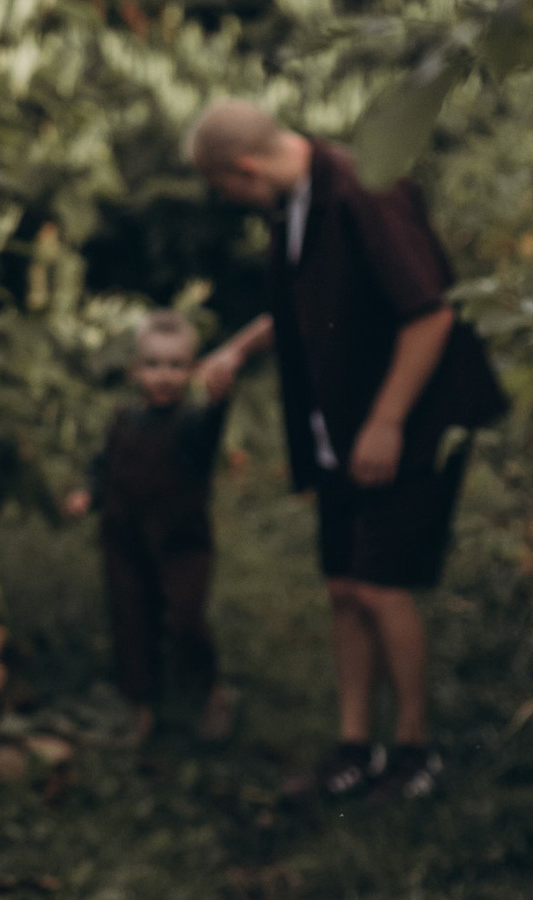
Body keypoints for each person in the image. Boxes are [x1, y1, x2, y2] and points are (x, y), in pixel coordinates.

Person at [185, 98, 506, 804]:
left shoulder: (367, 189)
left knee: (380, 586)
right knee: (343, 588)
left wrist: (387, 422)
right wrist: (237, 350)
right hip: (338, 426)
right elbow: (306, 303)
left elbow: (430, 315)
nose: (229, 201)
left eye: (224, 187)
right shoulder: (294, 203)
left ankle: (414, 750)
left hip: (408, 422)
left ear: (245, 169)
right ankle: (355, 746)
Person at [62, 307, 272, 743]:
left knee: (183, 618)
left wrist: (219, 398)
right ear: (136, 370)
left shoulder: (192, 423)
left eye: (176, 365)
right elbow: (105, 465)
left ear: (192, 370)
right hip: (125, 541)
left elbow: (211, 429)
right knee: (130, 618)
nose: (164, 376)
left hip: (181, 543)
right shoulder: (124, 419)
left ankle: (209, 692)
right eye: (154, 364)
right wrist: (89, 493)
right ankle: (139, 704)